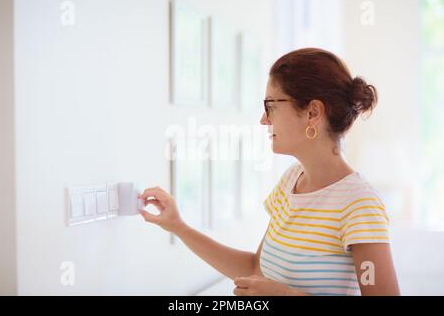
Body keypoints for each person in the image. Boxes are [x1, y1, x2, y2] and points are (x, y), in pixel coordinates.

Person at [138, 48, 400, 296]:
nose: (264, 119)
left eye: (270, 106)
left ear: (312, 112)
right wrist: (178, 227)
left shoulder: (359, 204)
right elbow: (255, 269)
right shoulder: (291, 181)